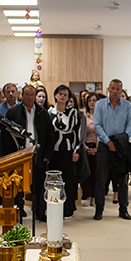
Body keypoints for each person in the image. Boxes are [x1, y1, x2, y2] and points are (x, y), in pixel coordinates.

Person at [9, 84, 54, 220]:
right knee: (17, 186)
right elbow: (6, 136)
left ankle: (39, 212)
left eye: (32, 95)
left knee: (39, 187)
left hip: (38, 156)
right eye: (26, 94)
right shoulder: (13, 112)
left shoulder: (42, 112)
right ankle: (18, 211)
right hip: (19, 156)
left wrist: (47, 155)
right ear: (21, 96)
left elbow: (51, 135)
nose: (29, 97)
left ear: (35, 97)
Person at [94, 79, 131, 220]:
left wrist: (119, 142)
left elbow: (130, 127)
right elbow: (97, 125)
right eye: (112, 88)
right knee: (101, 179)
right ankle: (99, 209)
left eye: (118, 89)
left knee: (123, 180)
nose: (115, 91)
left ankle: (123, 209)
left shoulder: (128, 106)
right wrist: (108, 141)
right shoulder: (100, 105)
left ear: (122, 91)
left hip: (122, 146)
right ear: (108, 89)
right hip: (104, 146)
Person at [49, 84, 89, 218]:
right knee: (54, 181)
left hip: (68, 151)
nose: (62, 96)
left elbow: (76, 132)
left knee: (68, 181)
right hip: (53, 152)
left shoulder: (73, 113)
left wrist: (76, 150)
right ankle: (54, 208)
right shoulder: (50, 112)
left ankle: (68, 209)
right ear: (55, 95)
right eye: (60, 94)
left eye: (65, 95)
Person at [82, 91, 101, 206]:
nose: (92, 103)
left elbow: (101, 133)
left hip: (98, 146)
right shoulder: (83, 116)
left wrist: (97, 148)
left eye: (94, 100)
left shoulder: (101, 116)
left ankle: (94, 196)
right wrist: (84, 146)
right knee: (86, 173)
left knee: (96, 173)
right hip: (86, 146)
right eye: (90, 101)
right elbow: (81, 133)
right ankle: (88, 196)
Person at [0, 82, 21, 156]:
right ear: (4, 94)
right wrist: (5, 137)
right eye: (8, 92)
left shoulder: (22, 107)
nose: (11, 94)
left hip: (19, 146)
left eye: (13, 91)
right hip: (2, 146)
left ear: (16, 93)